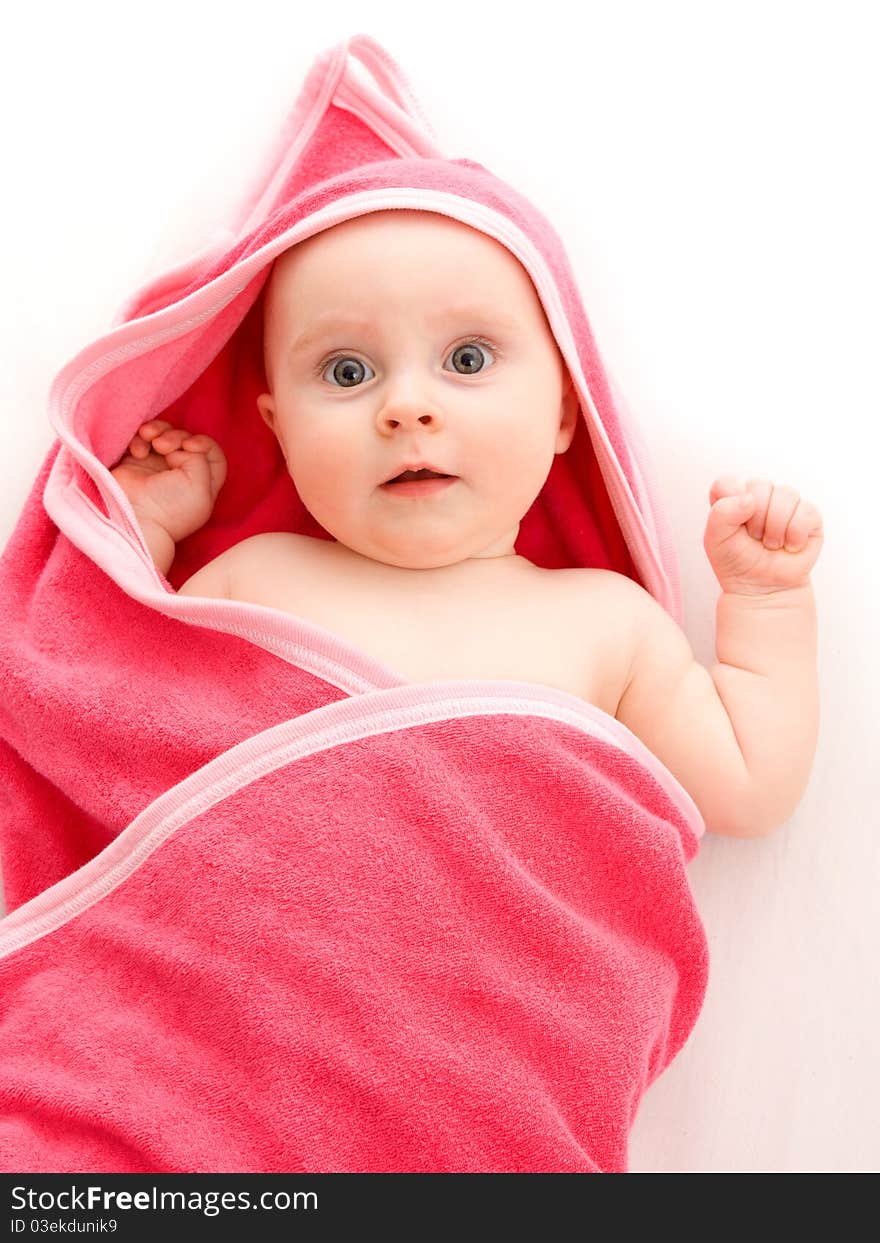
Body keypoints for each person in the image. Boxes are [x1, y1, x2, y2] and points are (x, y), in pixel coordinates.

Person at [110, 209, 822, 839]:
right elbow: (112, 714)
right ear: (281, 433)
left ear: (565, 414)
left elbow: (747, 791)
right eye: (348, 372)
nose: (408, 406)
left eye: (467, 358)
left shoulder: (607, 622)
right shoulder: (255, 576)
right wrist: (146, 529)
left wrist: (767, 603)